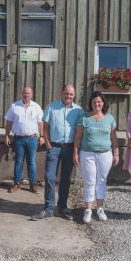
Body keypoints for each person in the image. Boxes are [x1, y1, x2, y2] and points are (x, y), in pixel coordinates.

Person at [31, 84, 84, 221]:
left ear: (74, 95)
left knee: (66, 179)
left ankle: (62, 208)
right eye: (66, 93)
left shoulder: (78, 110)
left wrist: (77, 151)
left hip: (70, 148)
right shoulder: (52, 107)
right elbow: (45, 126)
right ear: (62, 93)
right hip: (53, 147)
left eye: (71, 94)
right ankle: (48, 208)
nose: (68, 96)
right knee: (49, 177)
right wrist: (47, 143)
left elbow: (80, 132)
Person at [73, 91, 119, 224]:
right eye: (94, 102)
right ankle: (88, 210)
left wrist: (116, 154)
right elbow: (78, 137)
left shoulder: (110, 118)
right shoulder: (84, 118)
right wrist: (75, 153)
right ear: (91, 104)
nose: (96, 104)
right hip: (87, 154)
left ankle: (99, 208)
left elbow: (114, 137)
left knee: (102, 181)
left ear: (103, 103)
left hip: (105, 154)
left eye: (99, 102)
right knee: (89, 181)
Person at [4, 87, 44, 193]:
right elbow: (9, 122)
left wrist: (42, 136)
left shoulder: (36, 107)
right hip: (18, 139)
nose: (26, 95)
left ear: (32, 95)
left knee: (31, 161)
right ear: (22, 94)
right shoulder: (14, 106)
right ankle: (17, 184)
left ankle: (33, 184)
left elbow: (40, 123)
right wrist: (7, 135)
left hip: (32, 139)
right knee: (18, 161)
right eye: (24, 93)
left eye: (28, 93)